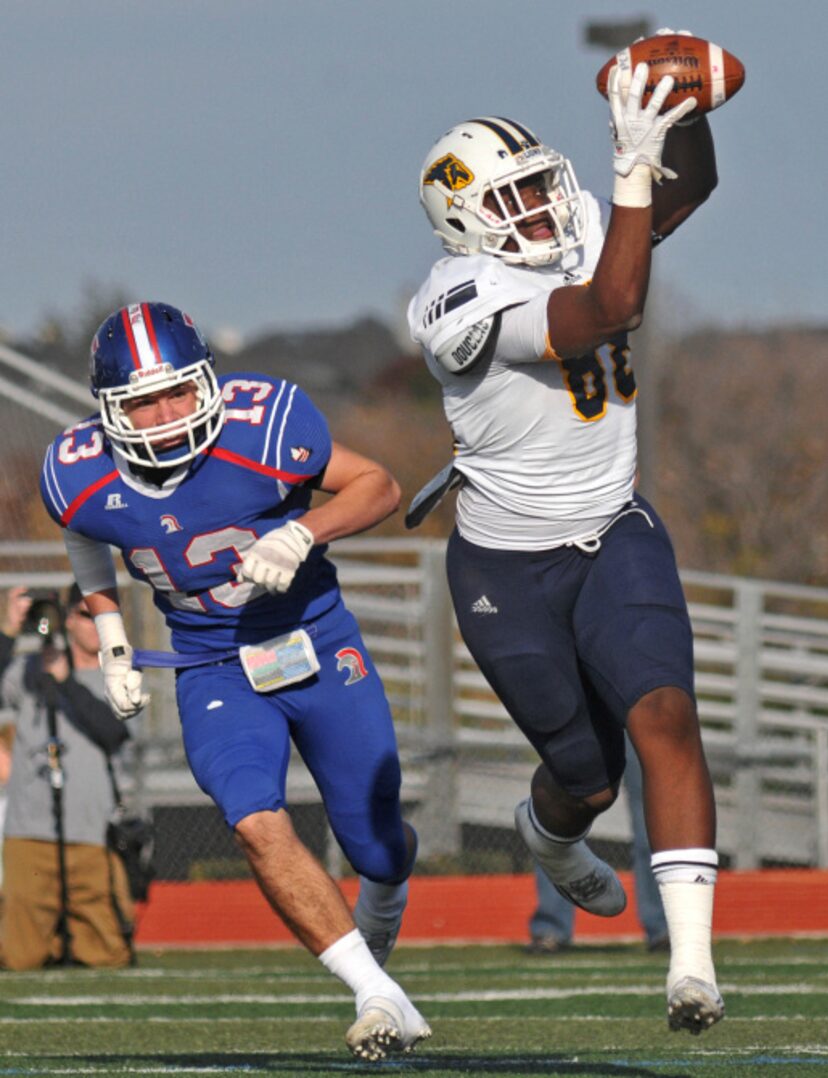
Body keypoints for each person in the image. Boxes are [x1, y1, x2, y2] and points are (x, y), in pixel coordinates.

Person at [406, 35, 725, 1035]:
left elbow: (691, 185)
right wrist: (630, 169)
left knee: (664, 717)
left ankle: (690, 968)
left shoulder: (584, 215)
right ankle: (547, 839)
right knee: (583, 775)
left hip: (613, 525)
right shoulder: (453, 298)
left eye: (543, 185)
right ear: (463, 222)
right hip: (508, 568)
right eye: (511, 200)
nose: (541, 208)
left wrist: (682, 111)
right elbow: (606, 306)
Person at [39, 302, 430, 1061]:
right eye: (142, 401)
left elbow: (380, 486)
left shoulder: (265, 426)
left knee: (376, 844)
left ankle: (385, 895)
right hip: (212, 662)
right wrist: (113, 635)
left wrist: (301, 529)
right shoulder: (78, 469)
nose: (164, 415)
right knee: (252, 818)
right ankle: (375, 992)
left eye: (178, 392)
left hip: (314, 640)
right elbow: (84, 533)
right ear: (109, 410)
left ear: (207, 383)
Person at [0, 584, 134, 969]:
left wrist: (66, 682)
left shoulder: (121, 673)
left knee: (108, 955)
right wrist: (9, 632)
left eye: (105, 618)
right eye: (85, 615)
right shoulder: (27, 670)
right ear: (66, 620)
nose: (96, 627)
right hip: (29, 829)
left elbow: (115, 733)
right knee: (19, 957)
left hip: (92, 829)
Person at [528, 737, 668, 954]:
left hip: (635, 711)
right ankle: (551, 928)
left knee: (652, 820)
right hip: (581, 712)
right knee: (556, 816)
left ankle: (663, 929)